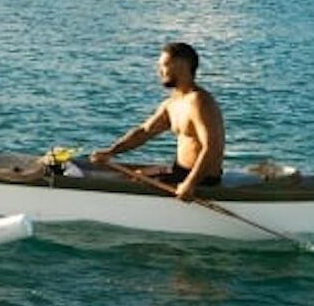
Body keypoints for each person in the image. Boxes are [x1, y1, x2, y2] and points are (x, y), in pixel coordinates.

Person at [91, 41, 225, 200]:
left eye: (164, 65)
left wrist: (190, 183)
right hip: (179, 173)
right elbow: (144, 132)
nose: (159, 71)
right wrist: (110, 152)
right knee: (135, 176)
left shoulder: (199, 102)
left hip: (202, 180)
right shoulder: (172, 103)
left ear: (182, 65)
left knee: (133, 182)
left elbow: (213, 147)